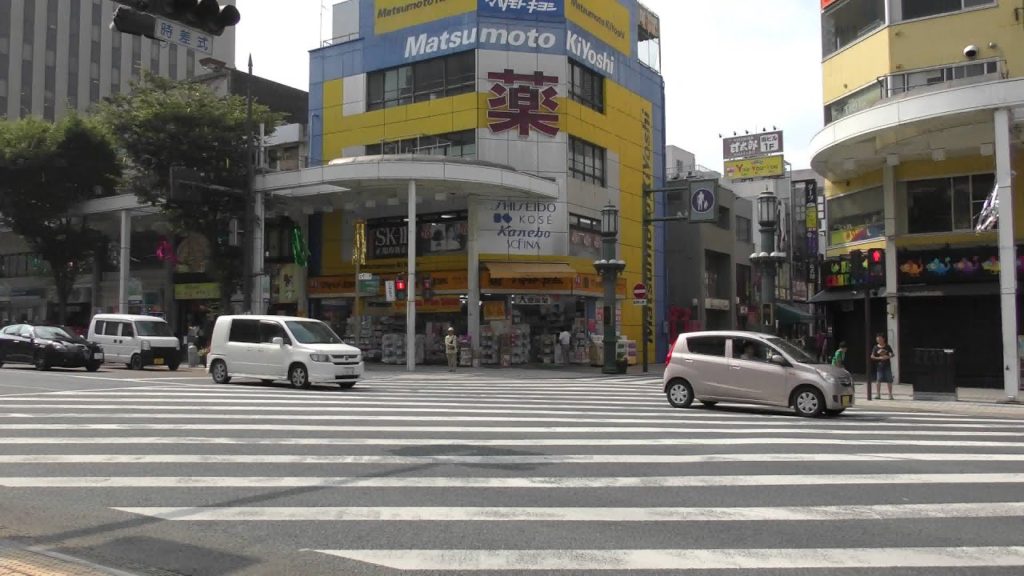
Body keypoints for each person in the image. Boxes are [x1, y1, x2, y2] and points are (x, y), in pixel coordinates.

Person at [871, 334, 895, 400]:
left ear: (883, 339)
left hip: (887, 365)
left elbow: (892, 354)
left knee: (889, 380)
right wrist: (879, 358)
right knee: (878, 380)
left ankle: (890, 395)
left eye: (880, 339)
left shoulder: (887, 346)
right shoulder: (875, 347)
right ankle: (878, 394)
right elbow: (872, 356)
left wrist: (888, 357)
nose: (879, 340)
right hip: (879, 366)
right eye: (877, 339)